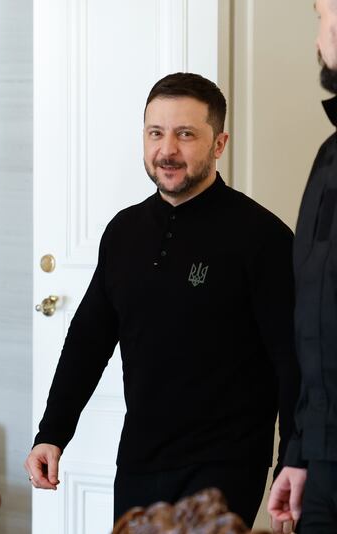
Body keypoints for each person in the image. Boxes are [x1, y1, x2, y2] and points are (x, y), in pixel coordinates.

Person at [25, 72, 300, 527]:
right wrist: (52, 432)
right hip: (138, 458)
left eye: (185, 134)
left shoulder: (262, 237)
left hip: (225, 466)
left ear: (219, 143)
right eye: (156, 133)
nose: (166, 149)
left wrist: (292, 461)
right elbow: (88, 340)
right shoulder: (123, 232)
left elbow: (291, 362)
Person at [268, 2, 337, 532]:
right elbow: (315, 324)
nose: (318, 36)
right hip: (323, 465)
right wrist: (301, 451)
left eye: (322, 14)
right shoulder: (329, 155)